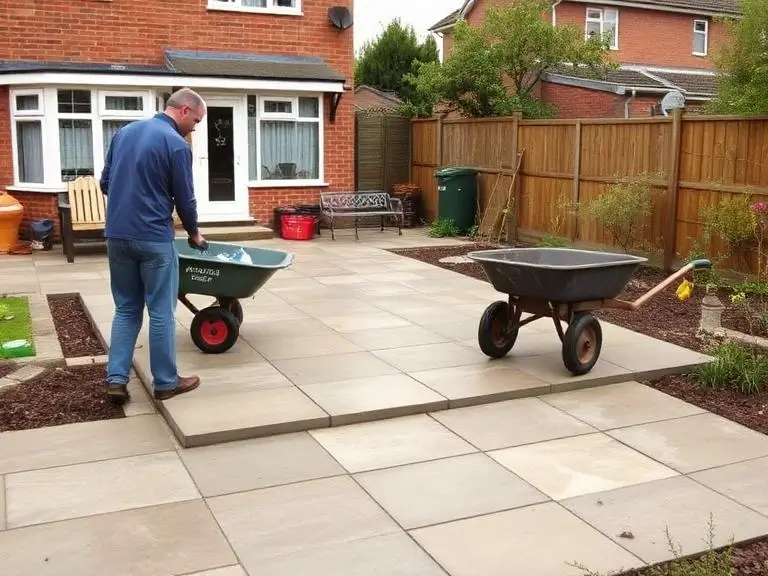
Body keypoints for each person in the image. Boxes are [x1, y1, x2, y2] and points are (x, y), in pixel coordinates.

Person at [99, 87, 208, 404]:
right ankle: (165, 382)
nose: (195, 128)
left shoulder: (124, 133)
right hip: (153, 239)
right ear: (184, 111)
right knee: (161, 312)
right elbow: (185, 199)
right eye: (197, 121)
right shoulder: (176, 145)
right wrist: (194, 233)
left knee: (126, 308)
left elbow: (106, 182)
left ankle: (116, 379)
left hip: (117, 236)